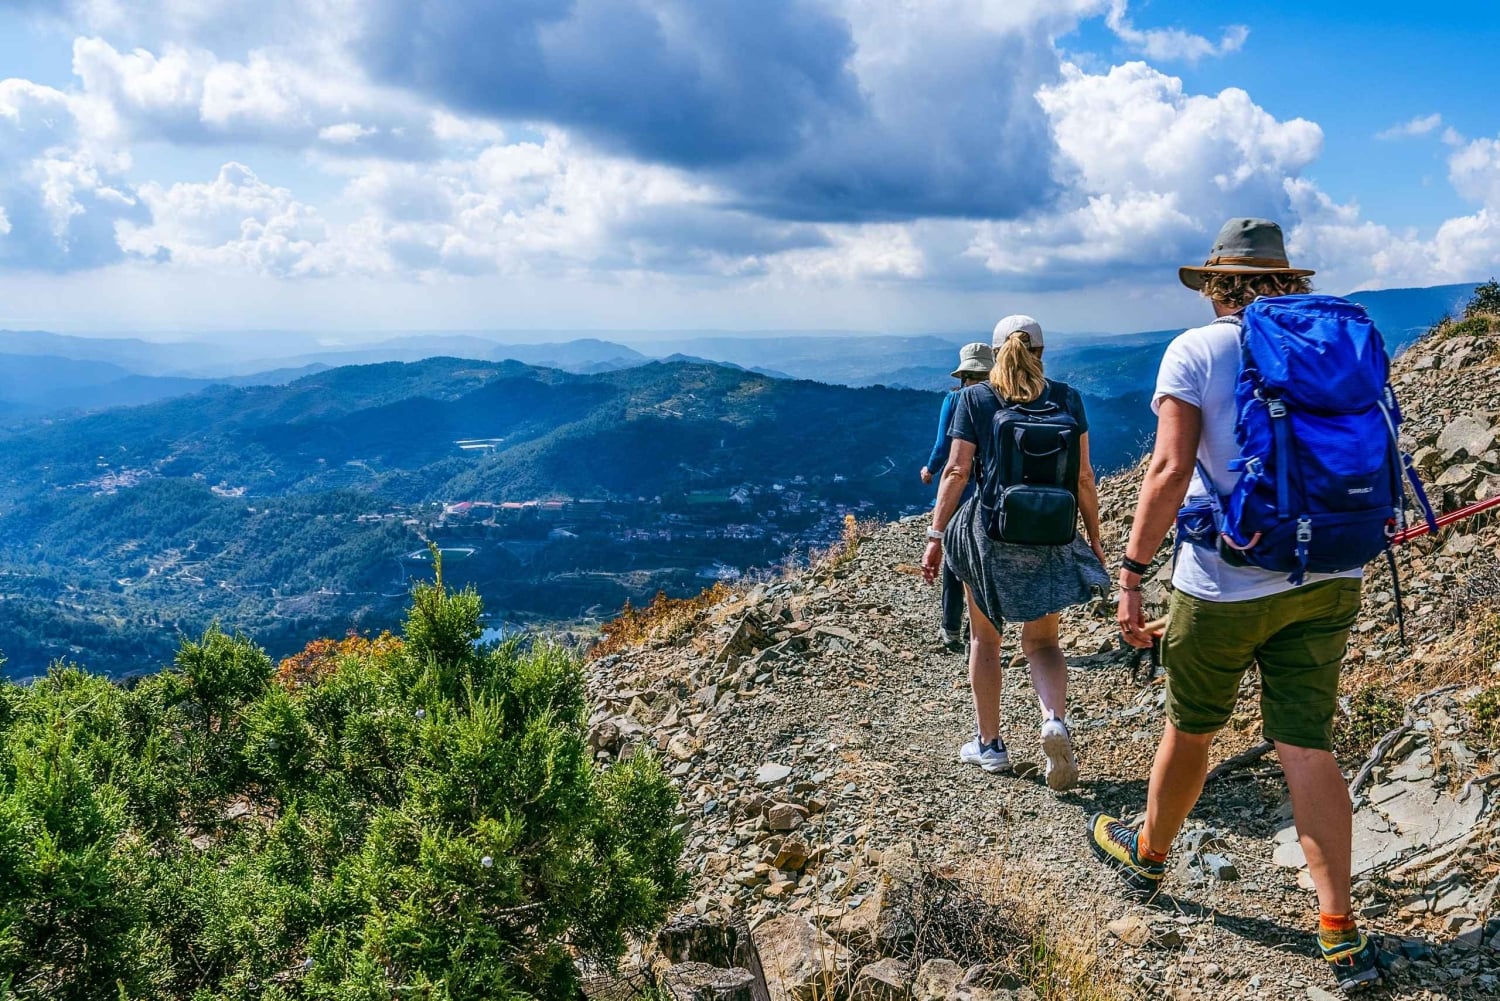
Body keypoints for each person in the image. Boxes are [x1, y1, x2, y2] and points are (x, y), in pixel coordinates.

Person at [1088, 218, 1384, 991]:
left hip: (1223, 582)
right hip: (1329, 573)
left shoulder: (1200, 350)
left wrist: (1130, 571)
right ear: (1288, 280)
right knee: (1306, 744)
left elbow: (1166, 467)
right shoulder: (1333, 345)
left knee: (1190, 729)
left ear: (1217, 284)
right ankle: (1338, 929)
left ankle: (1148, 858)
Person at [922, 315, 1109, 791]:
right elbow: (1084, 477)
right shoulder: (1067, 398)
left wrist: (936, 534)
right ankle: (1053, 721)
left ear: (994, 350)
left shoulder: (974, 397)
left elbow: (957, 472)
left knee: (986, 640)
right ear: (1043, 351)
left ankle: (990, 745)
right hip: (1051, 534)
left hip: (990, 535)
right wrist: (1094, 538)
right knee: (1044, 642)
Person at [921, 343, 994, 650]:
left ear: (963, 373)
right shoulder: (1003, 398)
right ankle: (983, 631)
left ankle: (951, 630)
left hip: (960, 492)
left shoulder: (955, 399)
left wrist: (929, 469)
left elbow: (944, 448)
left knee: (953, 559)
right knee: (984, 559)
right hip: (991, 493)